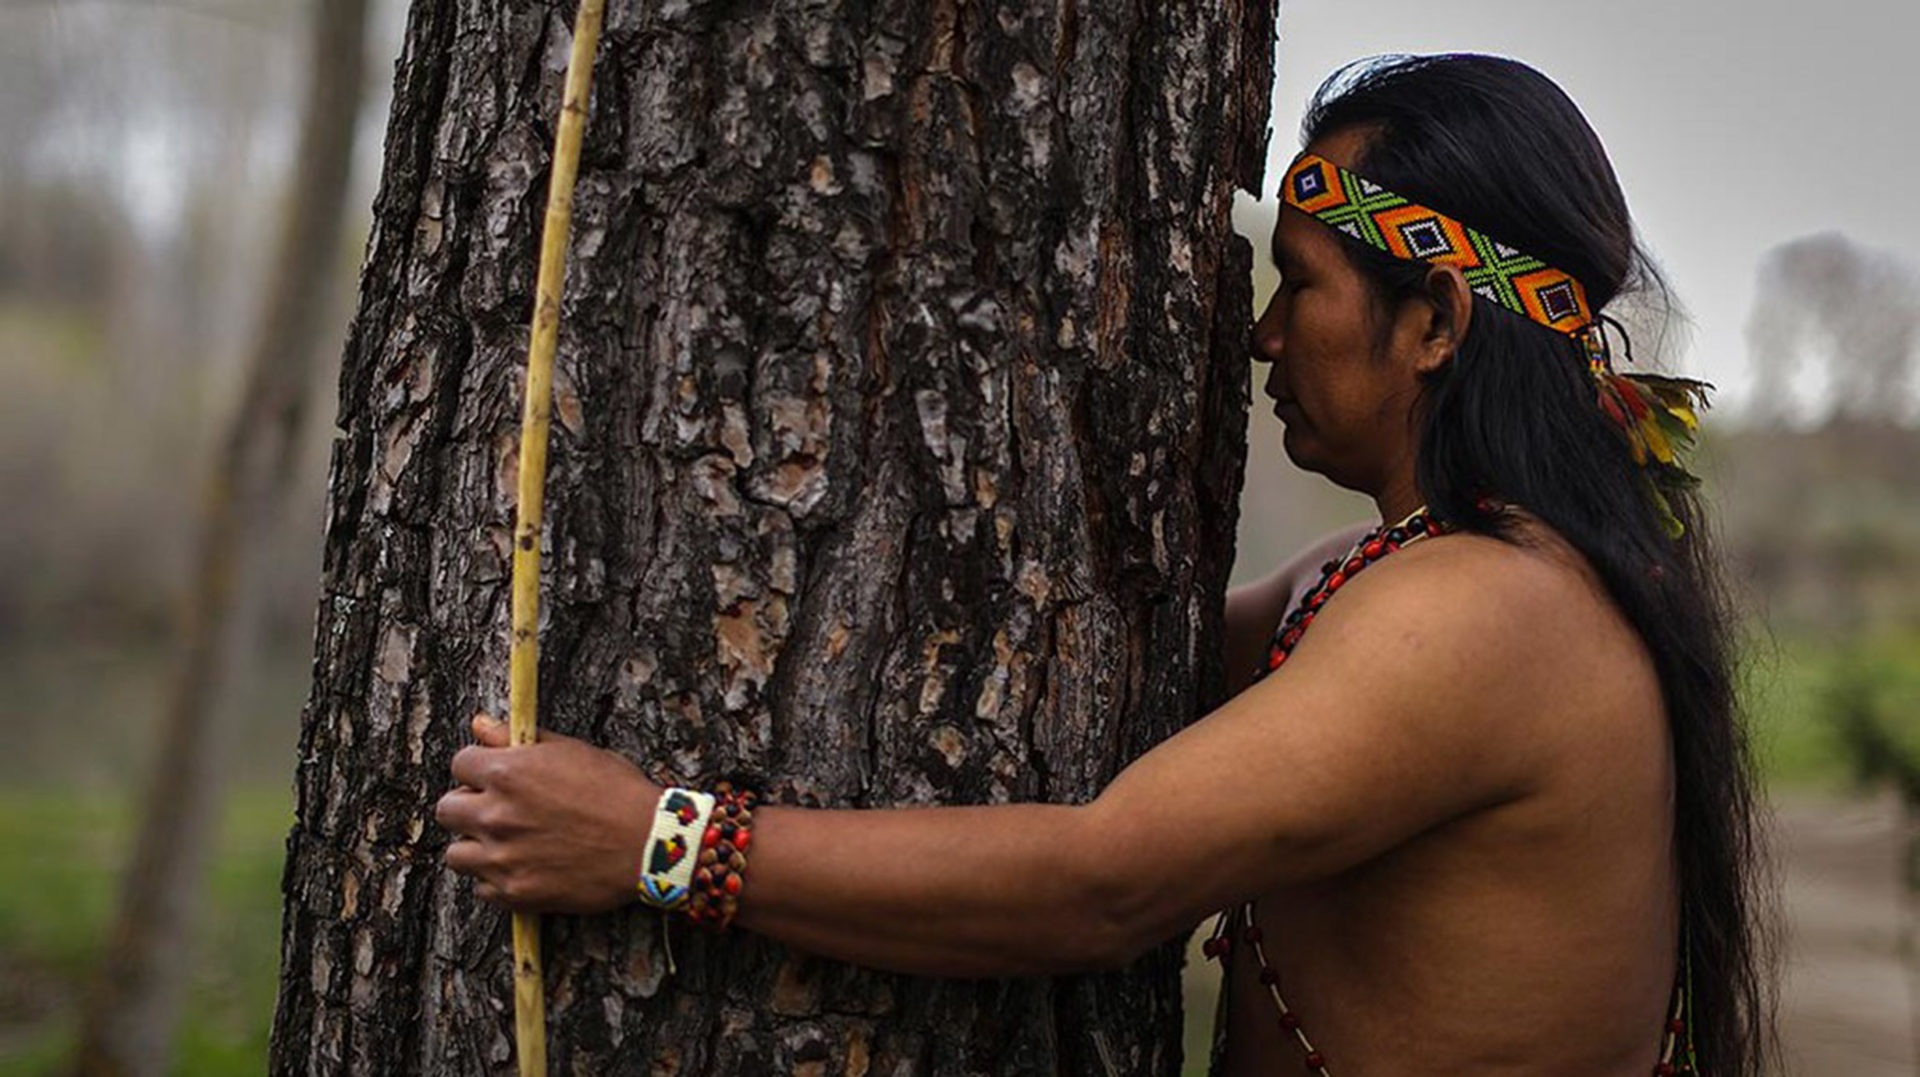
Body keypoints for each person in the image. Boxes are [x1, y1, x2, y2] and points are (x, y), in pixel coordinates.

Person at [436, 54, 1773, 1076]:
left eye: (1297, 285)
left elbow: (1101, 882)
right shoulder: (1414, 581)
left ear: (1431, 322)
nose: (1259, 339)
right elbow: (1171, 679)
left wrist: (653, 839)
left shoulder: (1487, 611)